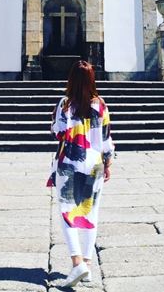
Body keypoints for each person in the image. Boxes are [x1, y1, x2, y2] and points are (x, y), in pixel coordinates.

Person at [47, 60, 115, 287]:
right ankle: (88, 264)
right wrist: (108, 163)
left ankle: (77, 263)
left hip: (69, 163)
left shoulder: (65, 104)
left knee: (68, 213)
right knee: (90, 213)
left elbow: (58, 132)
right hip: (94, 164)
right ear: (91, 79)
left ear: (71, 80)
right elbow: (106, 139)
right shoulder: (101, 104)